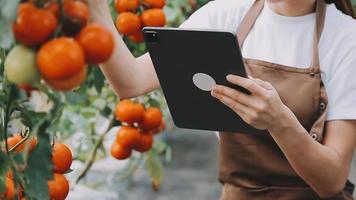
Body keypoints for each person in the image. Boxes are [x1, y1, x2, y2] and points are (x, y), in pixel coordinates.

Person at [87, 0, 356, 199]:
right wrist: (93, 8)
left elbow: (331, 181)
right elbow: (130, 81)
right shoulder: (225, 16)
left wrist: (280, 122)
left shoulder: (346, 39)